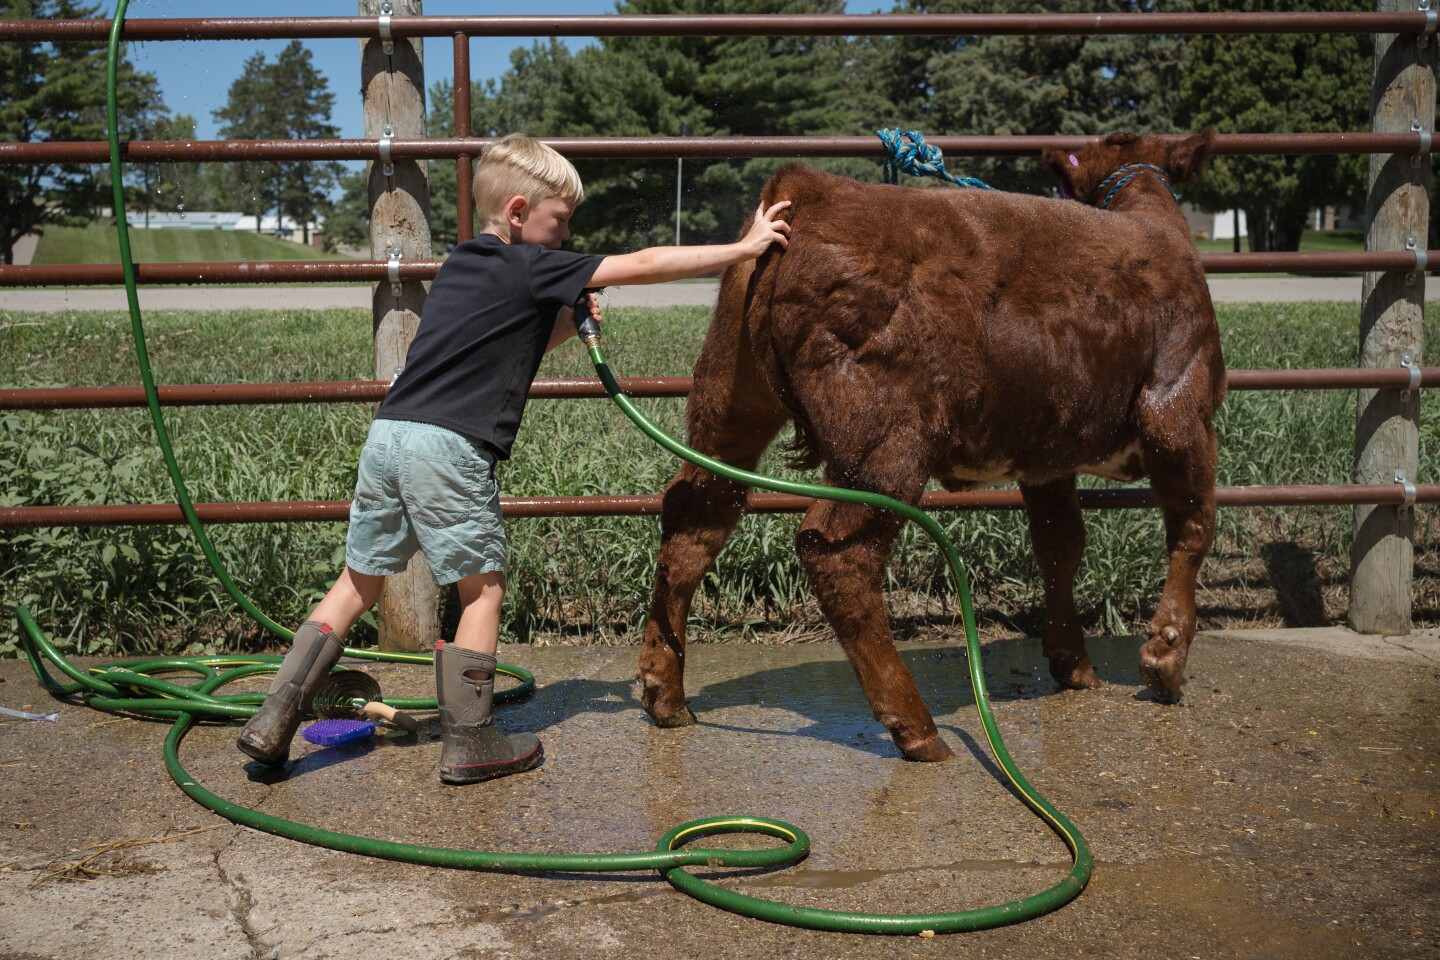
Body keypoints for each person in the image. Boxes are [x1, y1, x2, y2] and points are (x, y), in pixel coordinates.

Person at [238, 133, 791, 784]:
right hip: (448, 448)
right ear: (521, 211)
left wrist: (565, 326)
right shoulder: (532, 264)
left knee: (358, 581)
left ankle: (274, 718)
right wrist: (743, 248)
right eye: (560, 221)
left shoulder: (461, 265)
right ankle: (471, 742)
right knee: (482, 589)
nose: (566, 236)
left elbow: (501, 349)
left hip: (389, 436)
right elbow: (643, 263)